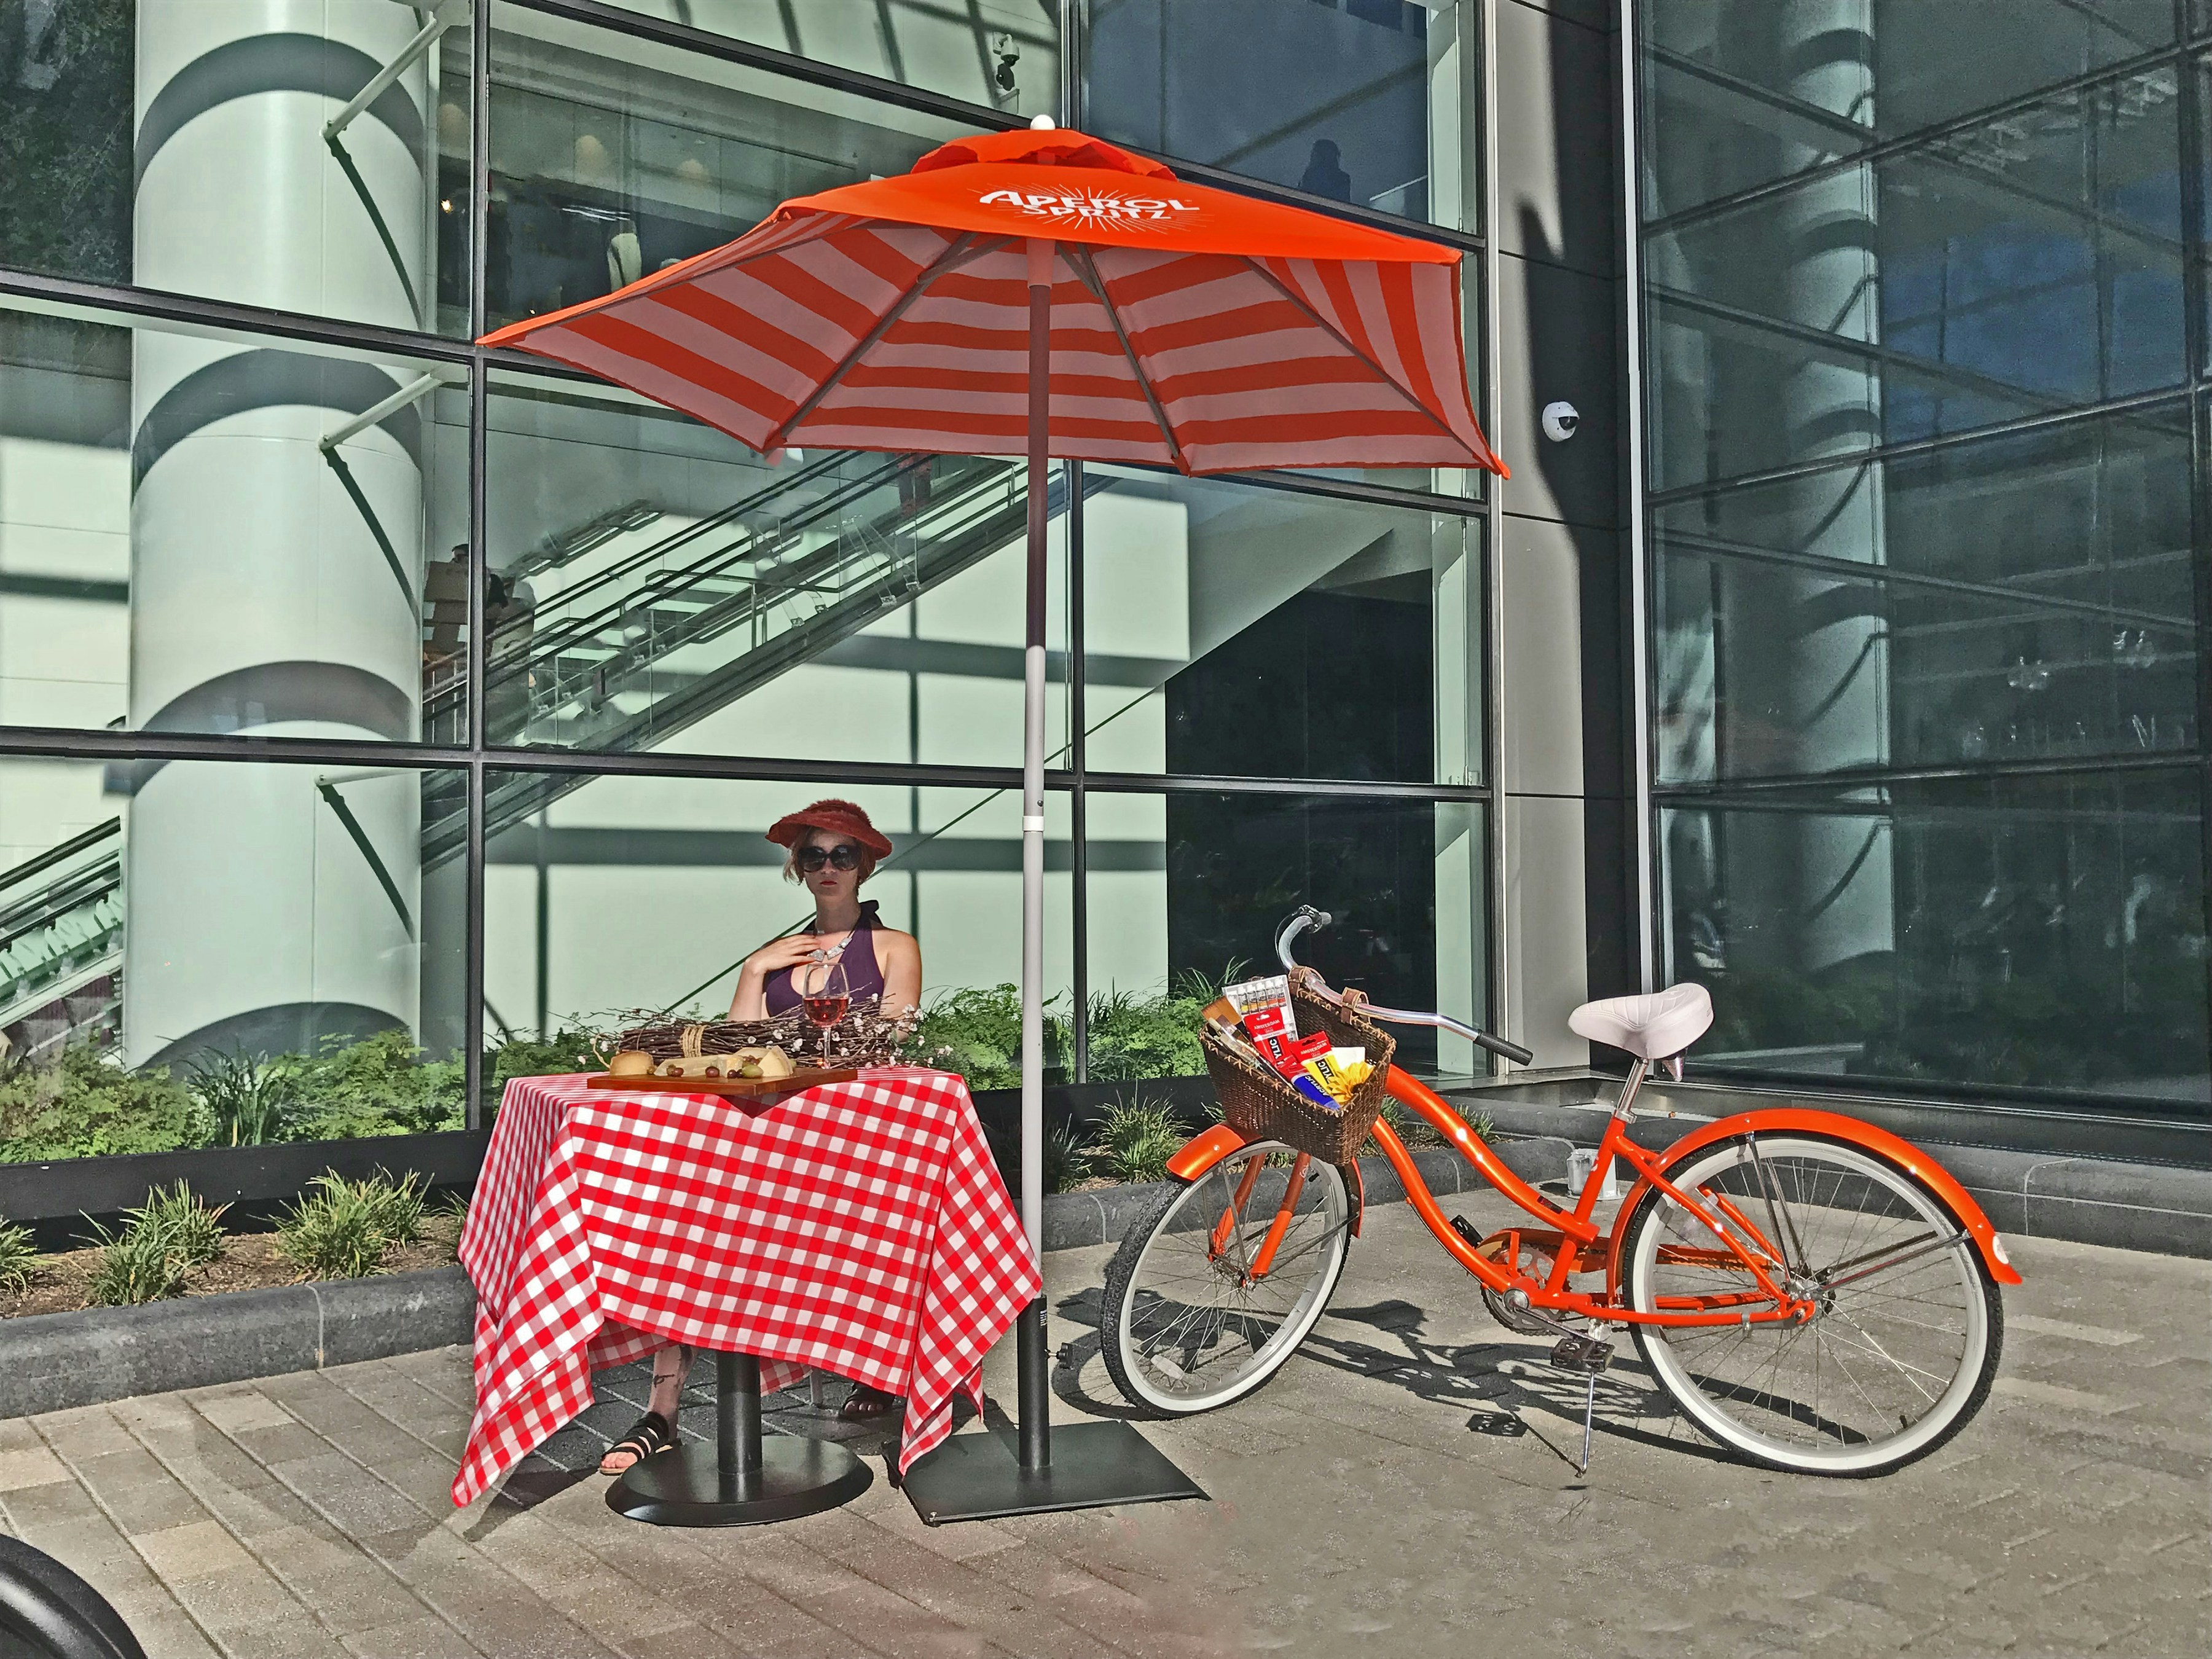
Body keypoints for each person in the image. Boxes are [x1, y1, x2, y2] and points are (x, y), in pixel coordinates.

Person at [598, 799, 921, 1473]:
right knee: (688, 1226)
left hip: (848, 1136)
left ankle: (879, 1364)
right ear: (797, 871)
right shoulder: (776, 957)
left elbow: (891, 1042)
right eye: (814, 856)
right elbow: (736, 1047)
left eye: (841, 855)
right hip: (771, 1132)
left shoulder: (893, 947)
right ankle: (661, 1413)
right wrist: (753, 970)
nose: (827, 868)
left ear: (863, 866)